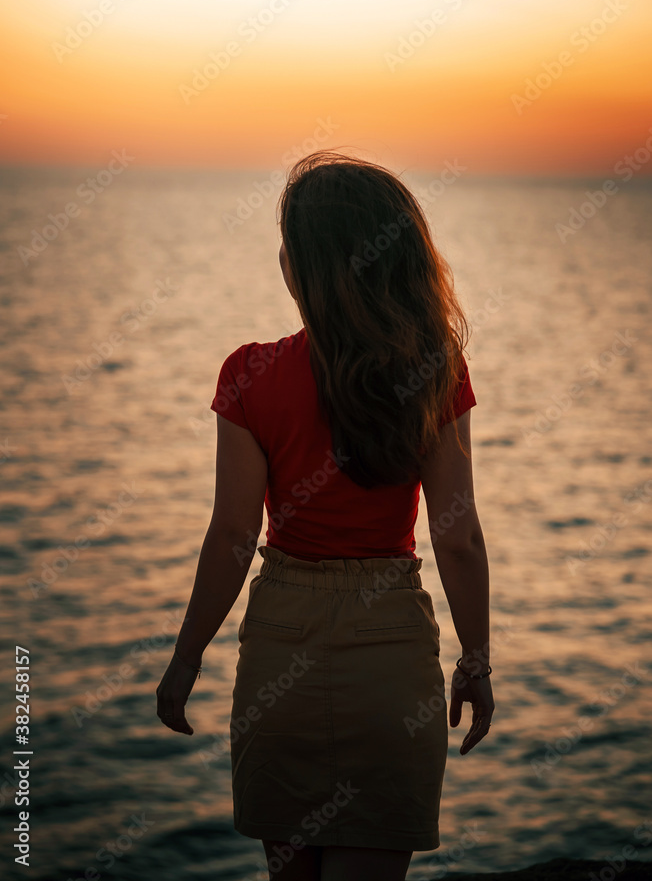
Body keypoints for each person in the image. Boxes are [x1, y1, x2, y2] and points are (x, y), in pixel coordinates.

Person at [156, 151, 494, 881]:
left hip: (282, 648)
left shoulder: (248, 374)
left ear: (305, 268)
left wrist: (186, 660)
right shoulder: (432, 370)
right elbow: (457, 535)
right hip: (390, 651)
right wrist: (476, 658)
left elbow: (232, 537)